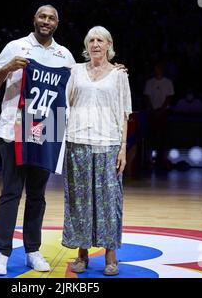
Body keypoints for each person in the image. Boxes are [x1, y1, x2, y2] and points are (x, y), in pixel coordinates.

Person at [0, 5, 76, 275]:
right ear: (34, 19)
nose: (46, 21)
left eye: (51, 18)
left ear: (57, 24)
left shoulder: (65, 56)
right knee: (11, 192)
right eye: (42, 16)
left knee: (38, 195)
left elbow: (71, 95)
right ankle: (2, 253)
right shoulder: (16, 47)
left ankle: (32, 251)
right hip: (15, 129)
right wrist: (9, 67)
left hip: (48, 130)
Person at [62, 26, 132, 276]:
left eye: (100, 40)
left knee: (109, 203)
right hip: (77, 142)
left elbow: (124, 114)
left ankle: (111, 257)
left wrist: (123, 147)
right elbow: (65, 104)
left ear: (109, 44)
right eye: (90, 40)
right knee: (80, 201)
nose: (95, 44)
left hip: (109, 144)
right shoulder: (75, 71)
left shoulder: (119, 75)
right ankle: (82, 255)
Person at [143, 62, 174, 168]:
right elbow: (147, 97)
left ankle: (163, 159)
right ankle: (150, 159)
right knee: (152, 136)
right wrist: (153, 110)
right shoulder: (149, 82)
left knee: (164, 136)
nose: (157, 71)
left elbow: (169, 97)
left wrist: (161, 110)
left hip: (164, 112)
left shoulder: (168, 82)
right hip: (152, 112)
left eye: (159, 68)